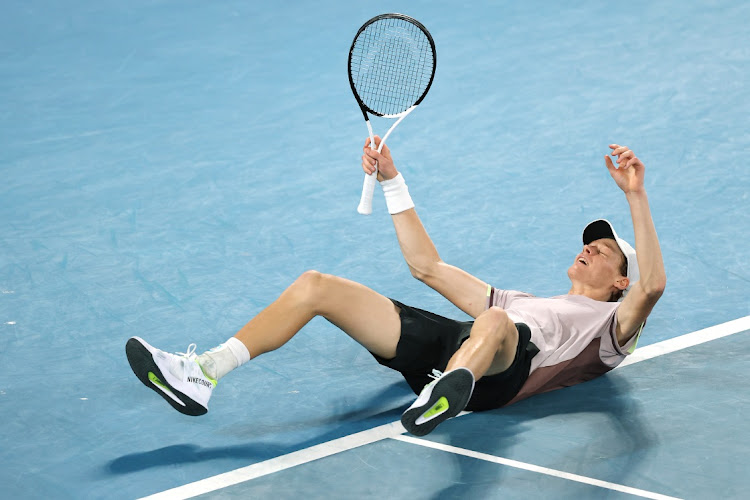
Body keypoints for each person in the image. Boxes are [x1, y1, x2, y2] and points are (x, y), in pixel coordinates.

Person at [126, 139, 666, 437]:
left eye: (606, 250)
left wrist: (635, 197)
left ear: (621, 281)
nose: (591, 247)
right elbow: (426, 266)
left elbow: (654, 286)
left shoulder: (609, 329)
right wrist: (392, 179)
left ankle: (447, 393)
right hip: (463, 344)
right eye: (590, 242)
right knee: (317, 286)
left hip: (502, 372)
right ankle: (202, 374)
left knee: (496, 324)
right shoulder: (526, 299)